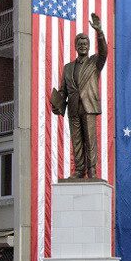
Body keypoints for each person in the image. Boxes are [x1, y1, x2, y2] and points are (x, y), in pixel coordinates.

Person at [52, 13, 107, 179]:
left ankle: (92, 171)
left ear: (89, 46)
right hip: (73, 107)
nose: (83, 46)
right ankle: (79, 170)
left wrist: (99, 32)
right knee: (76, 141)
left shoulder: (95, 62)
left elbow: (104, 52)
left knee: (90, 140)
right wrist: (57, 103)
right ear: (75, 46)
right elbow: (63, 90)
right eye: (80, 43)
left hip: (89, 106)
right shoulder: (67, 67)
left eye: (85, 43)